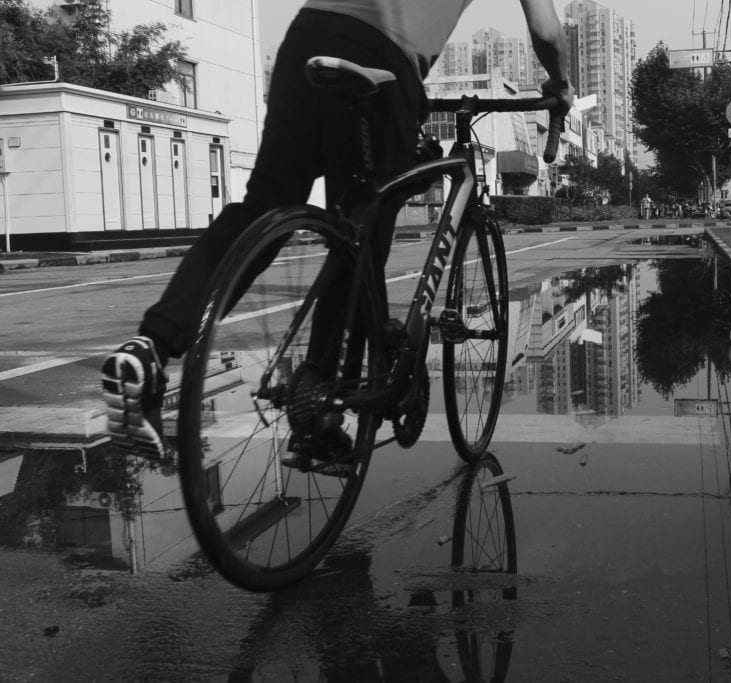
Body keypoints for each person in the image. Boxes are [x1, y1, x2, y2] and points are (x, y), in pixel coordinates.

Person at [101, 0, 574, 459]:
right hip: (384, 57)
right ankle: (320, 404)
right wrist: (560, 84)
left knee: (266, 204)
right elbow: (546, 30)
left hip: (306, 38)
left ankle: (151, 349)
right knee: (362, 228)